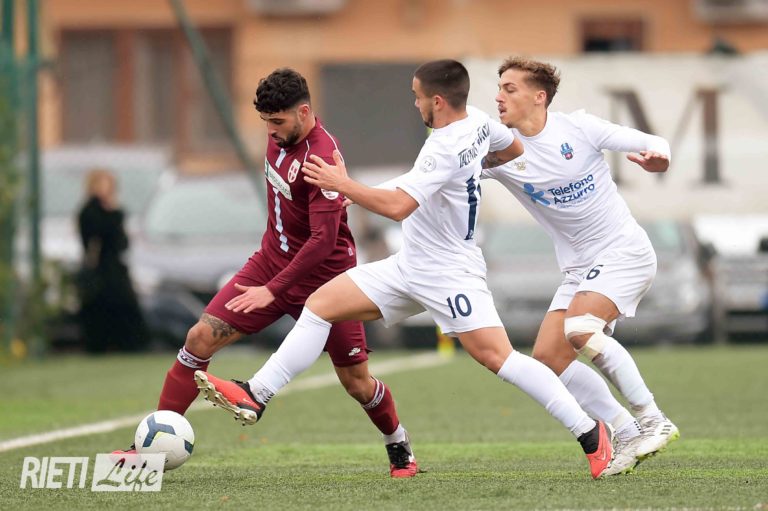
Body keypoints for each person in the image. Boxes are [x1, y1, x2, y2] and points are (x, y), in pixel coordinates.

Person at [196, 59, 616, 479]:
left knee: (500, 359)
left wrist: (344, 185)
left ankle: (590, 432)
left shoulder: (442, 146)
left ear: (438, 101)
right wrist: (466, 173)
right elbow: (513, 150)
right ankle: (257, 392)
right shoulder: (478, 122)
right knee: (320, 305)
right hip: (410, 265)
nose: (415, 104)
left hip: (450, 272)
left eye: (417, 97)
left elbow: (399, 207)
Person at [114, 68, 419, 478]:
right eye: (265, 122)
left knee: (357, 382)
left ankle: (398, 444)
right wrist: (271, 280)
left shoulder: (321, 158)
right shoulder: (279, 135)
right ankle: (146, 452)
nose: (271, 131)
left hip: (327, 281)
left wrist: (273, 290)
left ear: (304, 112)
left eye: (277, 121)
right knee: (199, 337)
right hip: (270, 262)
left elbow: (323, 241)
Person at [483, 56, 680, 475]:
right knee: (548, 359)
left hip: (624, 251)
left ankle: (652, 419)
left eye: (509, 89)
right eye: (498, 88)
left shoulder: (579, 128)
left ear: (539, 97)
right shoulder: (500, 151)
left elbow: (654, 141)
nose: (498, 97)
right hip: (580, 269)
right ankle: (627, 431)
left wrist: (659, 158)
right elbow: (435, 175)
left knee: (580, 329)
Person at [77, 168, 147, 353]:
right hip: (99, 270)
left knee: (124, 306)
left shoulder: (116, 211)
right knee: (100, 306)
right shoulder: (90, 212)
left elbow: (122, 243)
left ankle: (127, 344)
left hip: (115, 266)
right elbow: (93, 238)